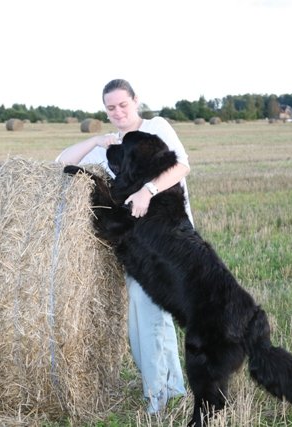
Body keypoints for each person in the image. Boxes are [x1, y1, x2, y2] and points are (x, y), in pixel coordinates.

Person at [55, 79, 194, 414]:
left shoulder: (156, 127)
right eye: (110, 108)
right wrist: (95, 141)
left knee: (149, 315)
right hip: (137, 243)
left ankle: (157, 396)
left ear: (136, 101)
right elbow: (60, 162)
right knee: (146, 316)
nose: (118, 112)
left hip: (169, 235)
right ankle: (171, 387)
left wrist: (147, 189)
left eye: (123, 105)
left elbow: (181, 166)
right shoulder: (111, 146)